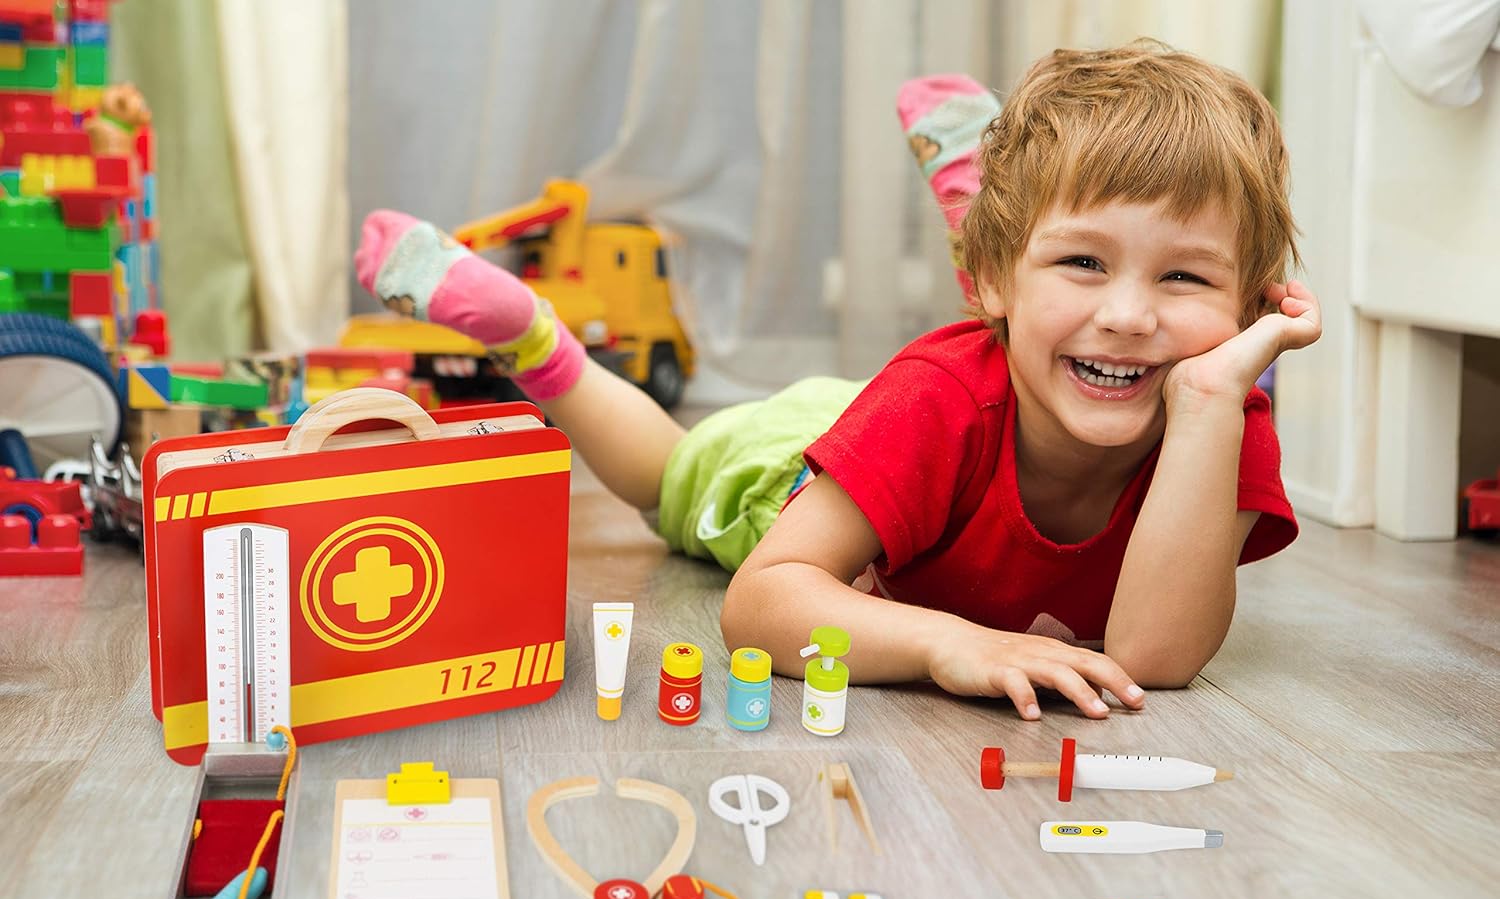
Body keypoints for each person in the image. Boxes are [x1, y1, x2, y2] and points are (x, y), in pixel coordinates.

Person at [353, 41, 1320, 721]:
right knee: (667, 474)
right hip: (822, 455)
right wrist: (950, 643)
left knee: (1035, 331)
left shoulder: (1218, 409)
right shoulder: (937, 395)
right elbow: (760, 605)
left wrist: (1205, 403)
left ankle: (998, 217)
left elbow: (1152, 659)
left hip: (941, 415)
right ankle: (532, 338)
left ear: (1250, 312)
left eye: (1184, 278)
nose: (1132, 316)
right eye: (1084, 262)